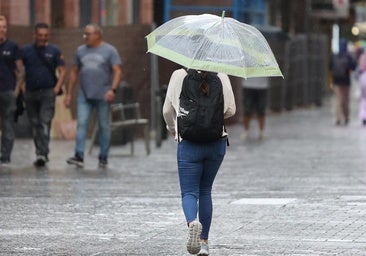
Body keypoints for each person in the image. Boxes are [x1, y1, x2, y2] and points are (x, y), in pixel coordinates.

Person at [163, 68, 236, 255]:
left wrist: (173, 128)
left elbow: (166, 111)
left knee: (189, 191)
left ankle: (192, 222)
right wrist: (210, 117)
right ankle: (203, 242)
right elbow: (230, 110)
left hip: (188, 143)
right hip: (215, 143)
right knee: (205, 190)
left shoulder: (178, 75)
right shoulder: (221, 76)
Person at [64, 23, 122, 168]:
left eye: (88, 34)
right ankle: (79, 155)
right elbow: (74, 72)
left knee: (104, 126)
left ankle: (103, 157)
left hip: (103, 95)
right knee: (82, 123)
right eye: (85, 33)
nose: (85, 37)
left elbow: (117, 71)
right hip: (85, 95)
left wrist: (112, 90)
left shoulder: (110, 50)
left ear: (97, 35)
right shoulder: (80, 51)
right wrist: (69, 93)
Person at [21, 22, 66, 167]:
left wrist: (56, 88)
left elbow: (63, 70)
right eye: (40, 35)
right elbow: (20, 70)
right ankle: (40, 151)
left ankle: (42, 152)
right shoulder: (26, 50)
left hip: (47, 92)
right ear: (34, 35)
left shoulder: (54, 50)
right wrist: (22, 86)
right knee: (35, 123)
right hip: (31, 92)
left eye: (45, 35)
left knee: (44, 121)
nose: (43, 38)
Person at [0, 15, 23, 164]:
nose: (2, 30)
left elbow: (20, 71)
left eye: (4, 27)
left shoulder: (12, 46)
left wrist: (17, 90)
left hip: (7, 91)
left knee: (8, 124)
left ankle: (5, 155)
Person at [330, 38, 356, 126]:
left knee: (338, 100)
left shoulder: (334, 55)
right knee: (345, 101)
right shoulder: (348, 56)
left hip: (336, 81)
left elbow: (330, 66)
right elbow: (353, 67)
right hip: (346, 82)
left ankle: (338, 118)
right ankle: (346, 117)